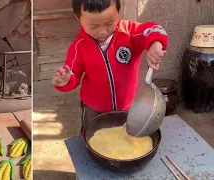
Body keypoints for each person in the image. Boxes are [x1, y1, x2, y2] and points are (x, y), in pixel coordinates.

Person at [51, 0, 168, 133]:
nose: (102, 31)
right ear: (78, 18)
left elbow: (154, 29)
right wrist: (66, 80)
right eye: (93, 27)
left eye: (109, 23)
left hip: (127, 105)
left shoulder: (129, 33)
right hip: (93, 108)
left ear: (118, 12)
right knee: (91, 136)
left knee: (125, 135)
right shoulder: (79, 46)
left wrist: (156, 43)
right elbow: (72, 73)